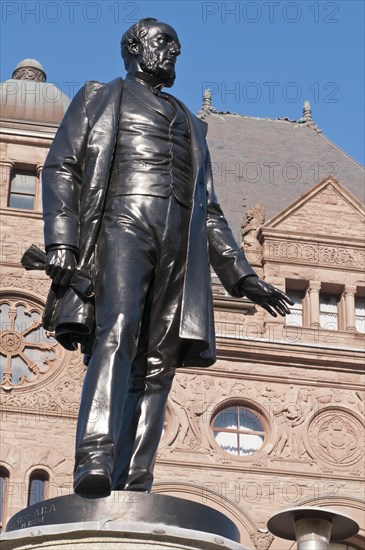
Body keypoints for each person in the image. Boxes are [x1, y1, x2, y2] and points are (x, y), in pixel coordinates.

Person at [42, 18, 292, 495]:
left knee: (160, 361)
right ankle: (94, 455)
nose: (175, 51)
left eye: (176, 45)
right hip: (122, 223)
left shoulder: (192, 124)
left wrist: (243, 277)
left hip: (179, 239)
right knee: (117, 331)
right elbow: (63, 166)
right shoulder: (100, 97)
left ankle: (135, 474)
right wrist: (62, 241)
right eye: (164, 42)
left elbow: (211, 211)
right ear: (135, 47)